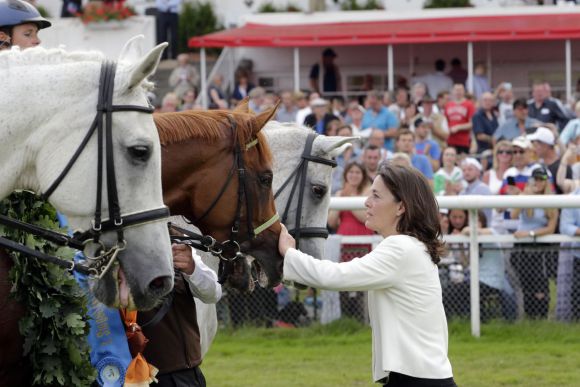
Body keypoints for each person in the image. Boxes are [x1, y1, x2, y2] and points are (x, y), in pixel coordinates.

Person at [279, 162, 456, 386]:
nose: (367, 202)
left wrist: (288, 253)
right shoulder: (411, 246)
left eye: (376, 196)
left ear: (401, 207)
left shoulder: (400, 248)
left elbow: (336, 276)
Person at [327, 161, 374, 322]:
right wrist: (341, 199)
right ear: (346, 175)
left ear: (363, 176)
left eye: (357, 173)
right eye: (351, 172)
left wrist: (350, 198)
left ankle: (364, 317)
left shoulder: (368, 193)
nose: (354, 176)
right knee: (343, 279)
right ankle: (344, 317)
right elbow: (331, 222)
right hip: (343, 244)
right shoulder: (340, 193)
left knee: (362, 280)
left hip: (362, 241)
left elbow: (363, 217)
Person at [509, 166, 557, 319]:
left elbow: (551, 227)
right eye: (535, 178)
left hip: (540, 247)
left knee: (541, 286)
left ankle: (542, 317)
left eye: (541, 179)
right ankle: (529, 318)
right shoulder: (526, 196)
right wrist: (523, 197)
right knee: (526, 284)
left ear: (546, 181)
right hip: (522, 247)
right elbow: (513, 215)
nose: (538, 182)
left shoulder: (551, 200)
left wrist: (530, 234)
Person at [444, 83, 475, 155]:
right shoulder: (448, 105)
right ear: (453, 91)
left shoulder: (469, 104)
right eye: (456, 90)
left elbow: (472, 123)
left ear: (464, 91)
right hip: (450, 140)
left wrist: (458, 127)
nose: (458, 92)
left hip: (463, 141)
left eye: (460, 90)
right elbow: (445, 122)